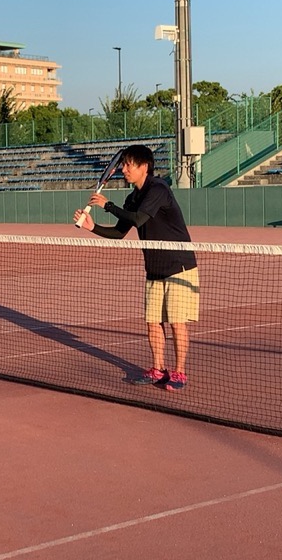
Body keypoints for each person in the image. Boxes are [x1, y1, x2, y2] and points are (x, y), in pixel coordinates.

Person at [73, 144, 199, 390]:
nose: (124, 169)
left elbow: (139, 219)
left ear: (144, 167)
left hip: (179, 266)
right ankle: (158, 369)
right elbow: (119, 232)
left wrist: (108, 206)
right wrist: (92, 227)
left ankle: (179, 373)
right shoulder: (132, 198)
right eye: (123, 165)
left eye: (129, 165)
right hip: (154, 267)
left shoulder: (158, 189)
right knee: (153, 322)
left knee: (177, 322)